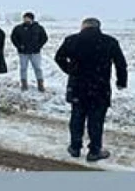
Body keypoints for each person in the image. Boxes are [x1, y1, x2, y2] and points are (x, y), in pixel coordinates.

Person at [54, 17, 129, 162]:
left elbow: (59, 57)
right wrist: (121, 82)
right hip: (99, 87)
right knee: (96, 120)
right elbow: (121, 64)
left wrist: (70, 70)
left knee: (77, 117)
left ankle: (75, 148)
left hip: (77, 86)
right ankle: (94, 151)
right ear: (98, 27)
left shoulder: (71, 40)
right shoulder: (109, 41)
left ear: (83, 26)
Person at [11, 12, 49, 92]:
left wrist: (38, 46)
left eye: (27, 18)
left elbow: (44, 38)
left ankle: (40, 84)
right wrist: (19, 46)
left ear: (32, 19)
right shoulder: (18, 28)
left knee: (38, 68)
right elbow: (13, 38)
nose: (25, 19)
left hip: (35, 52)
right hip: (23, 52)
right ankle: (24, 84)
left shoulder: (38, 28)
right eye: (24, 18)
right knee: (23, 68)